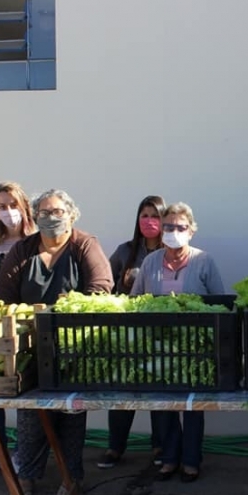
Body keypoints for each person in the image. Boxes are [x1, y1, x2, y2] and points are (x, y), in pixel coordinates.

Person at [0, 188, 113, 495]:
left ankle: (71, 476)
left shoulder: (84, 245)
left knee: (71, 412)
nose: (51, 218)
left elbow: (101, 287)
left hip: (74, 345)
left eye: (58, 212)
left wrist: (69, 311)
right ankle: (27, 476)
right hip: (31, 345)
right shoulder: (23, 250)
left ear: (71, 215)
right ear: (35, 217)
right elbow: (4, 294)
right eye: (45, 213)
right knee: (31, 414)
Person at [131, 202, 224, 483]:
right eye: (168, 226)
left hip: (194, 347)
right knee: (164, 404)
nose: (173, 232)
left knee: (193, 405)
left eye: (180, 227)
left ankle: (191, 460)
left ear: (191, 231)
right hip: (157, 345)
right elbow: (134, 300)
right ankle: (170, 458)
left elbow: (219, 304)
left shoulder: (204, 261)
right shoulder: (150, 262)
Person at [98, 195, 166, 470]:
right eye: (144, 215)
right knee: (123, 387)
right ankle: (115, 446)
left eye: (155, 215)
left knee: (159, 388)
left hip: (160, 332)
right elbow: (105, 283)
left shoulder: (169, 252)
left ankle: (160, 445)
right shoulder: (125, 251)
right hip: (126, 332)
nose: (149, 221)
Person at [0, 182, 36, 475]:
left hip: (27, 324)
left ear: (24, 207)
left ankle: (26, 452)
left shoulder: (36, 241)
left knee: (26, 391)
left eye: (13, 205)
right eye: (2, 206)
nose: (8, 211)